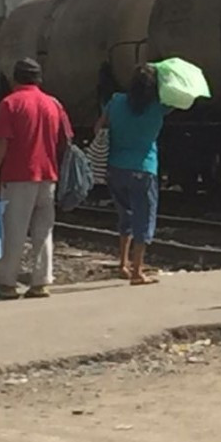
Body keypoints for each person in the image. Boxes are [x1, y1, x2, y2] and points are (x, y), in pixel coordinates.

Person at [0, 58, 73, 299]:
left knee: (15, 230)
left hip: (18, 176)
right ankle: (41, 281)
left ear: (15, 78)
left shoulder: (10, 103)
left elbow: (1, 142)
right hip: (48, 176)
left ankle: (7, 283)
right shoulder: (53, 103)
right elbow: (66, 138)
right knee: (43, 230)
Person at [96, 63, 169, 285]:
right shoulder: (159, 106)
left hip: (115, 168)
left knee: (125, 217)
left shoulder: (116, 101)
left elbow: (99, 128)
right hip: (143, 168)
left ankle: (123, 264)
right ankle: (137, 271)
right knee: (143, 218)